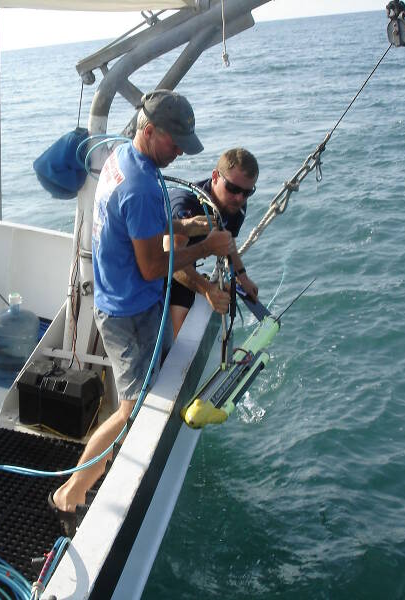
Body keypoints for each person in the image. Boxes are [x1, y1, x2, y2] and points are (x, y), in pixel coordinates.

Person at [49, 90, 232, 534]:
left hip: (131, 302)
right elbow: (152, 264)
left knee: (149, 394)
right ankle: (69, 494)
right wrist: (206, 246)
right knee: (129, 409)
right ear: (149, 131)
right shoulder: (141, 185)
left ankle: (107, 469)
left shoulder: (123, 160)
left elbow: (141, 230)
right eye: (174, 143)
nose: (178, 153)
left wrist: (184, 227)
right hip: (127, 314)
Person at [166, 147, 260, 339]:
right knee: (181, 331)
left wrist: (243, 277)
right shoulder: (188, 206)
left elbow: (228, 241)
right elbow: (172, 263)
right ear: (215, 176)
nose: (239, 198)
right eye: (233, 188)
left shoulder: (236, 206)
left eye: (247, 192)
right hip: (159, 261)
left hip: (186, 260)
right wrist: (207, 289)